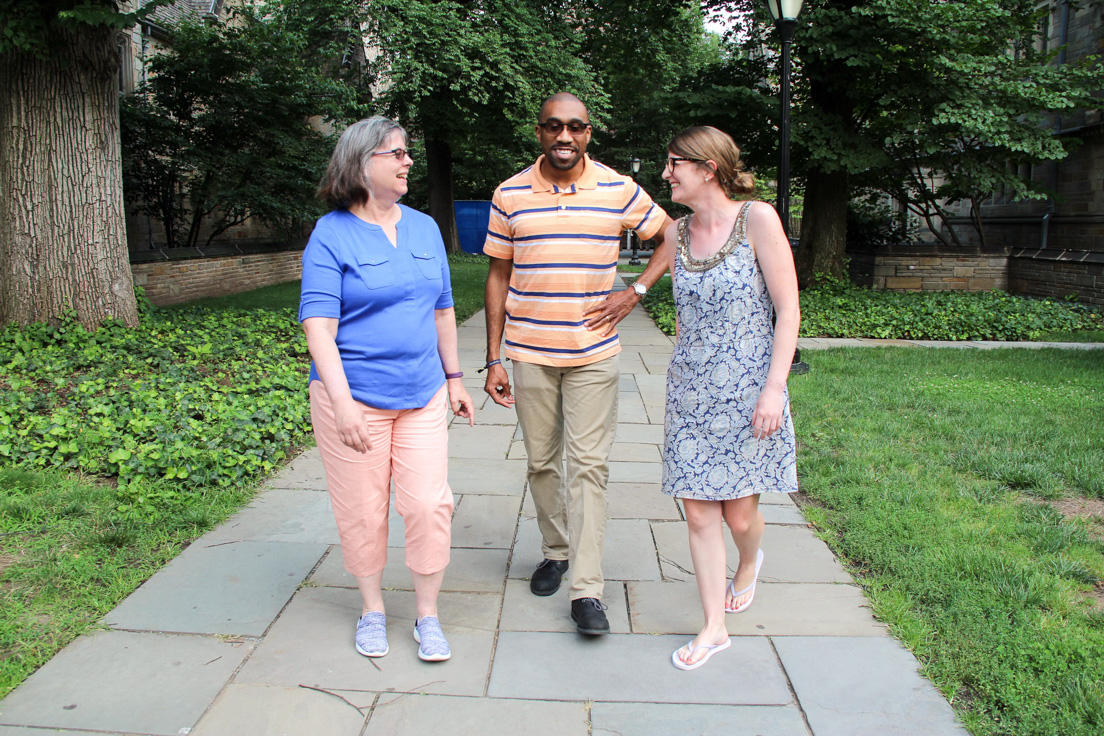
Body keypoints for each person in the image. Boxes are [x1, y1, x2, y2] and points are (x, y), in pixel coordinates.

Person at [482, 92, 674, 635]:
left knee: (589, 466)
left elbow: (669, 236)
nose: (564, 136)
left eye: (575, 127)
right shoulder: (510, 193)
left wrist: (634, 293)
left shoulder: (617, 188)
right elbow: (497, 275)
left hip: (594, 354)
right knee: (542, 462)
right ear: (539, 132)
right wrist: (492, 357)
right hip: (529, 352)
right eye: (553, 127)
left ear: (589, 133)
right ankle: (556, 550)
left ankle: (587, 589)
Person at [299, 116, 474, 663]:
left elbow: (443, 310)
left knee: (428, 505)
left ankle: (428, 615)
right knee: (363, 509)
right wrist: (343, 403)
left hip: (422, 394)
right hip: (353, 402)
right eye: (396, 153)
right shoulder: (331, 233)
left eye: (407, 154)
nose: (407, 162)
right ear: (362, 162)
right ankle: (372, 609)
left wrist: (455, 378)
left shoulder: (423, 228)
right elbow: (318, 327)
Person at [659, 126, 800, 670]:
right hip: (691, 396)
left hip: (749, 394)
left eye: (675, 164)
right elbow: (685, 315)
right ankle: (713, 627)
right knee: (698, 516)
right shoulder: (676, 232)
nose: (667, 173)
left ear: (708, 168)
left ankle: (749, 562)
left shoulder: (757, 219)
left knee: (740, 517)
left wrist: (774, 389)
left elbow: (787, 310)